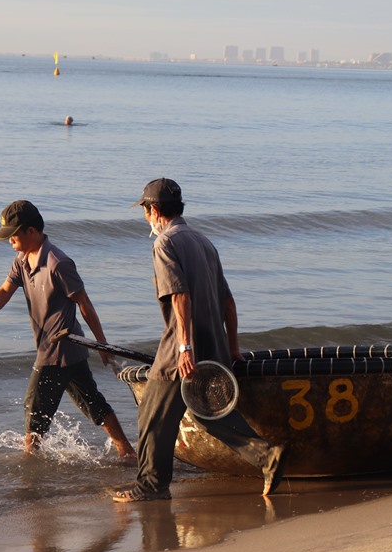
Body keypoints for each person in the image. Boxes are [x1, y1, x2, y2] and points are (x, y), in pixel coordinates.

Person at [112, 178, 287, 502]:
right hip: (214, 346)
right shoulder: (204, 242)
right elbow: (229, 302)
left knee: (151, 412)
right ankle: (267, 456)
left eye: (145, 210)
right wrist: (232, 348)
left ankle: (151, 485)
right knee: (210, 414)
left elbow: (180, 296)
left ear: (155, 210)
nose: (145, 217)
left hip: (181, 345)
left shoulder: (165, 243)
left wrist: (184, 347)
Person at [0, 199, 136, 462]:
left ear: (31, 231)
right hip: (67, 352)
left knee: (34, 409)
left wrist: (102, 345)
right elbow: (4, 292)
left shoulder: (58, 263)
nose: (10, 241)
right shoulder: (22, 260)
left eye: (13, 235)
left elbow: (85, 305)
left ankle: (30, 463)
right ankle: (127, 451)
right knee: (92, 403)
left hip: (58, 348)